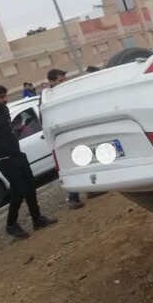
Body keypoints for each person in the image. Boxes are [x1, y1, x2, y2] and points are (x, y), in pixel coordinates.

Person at [0, 84, 57, 239]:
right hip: (4, 160)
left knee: (30, 187)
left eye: (5, 96)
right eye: (1, 97)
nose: (5, 100)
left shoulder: (4, 109)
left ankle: (37, 219)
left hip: (17, 155)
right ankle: (11, 224)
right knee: (19, 190)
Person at [46, 69, 84, 209]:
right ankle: (72, 197)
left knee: (84, 158)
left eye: (65, 79)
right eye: (60, 80)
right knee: (67, 165)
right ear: (52, 82)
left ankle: (94, 189)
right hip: (61, 136)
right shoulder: (47, 97)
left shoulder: (67, 92)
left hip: (75, 131)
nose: (64, 82)